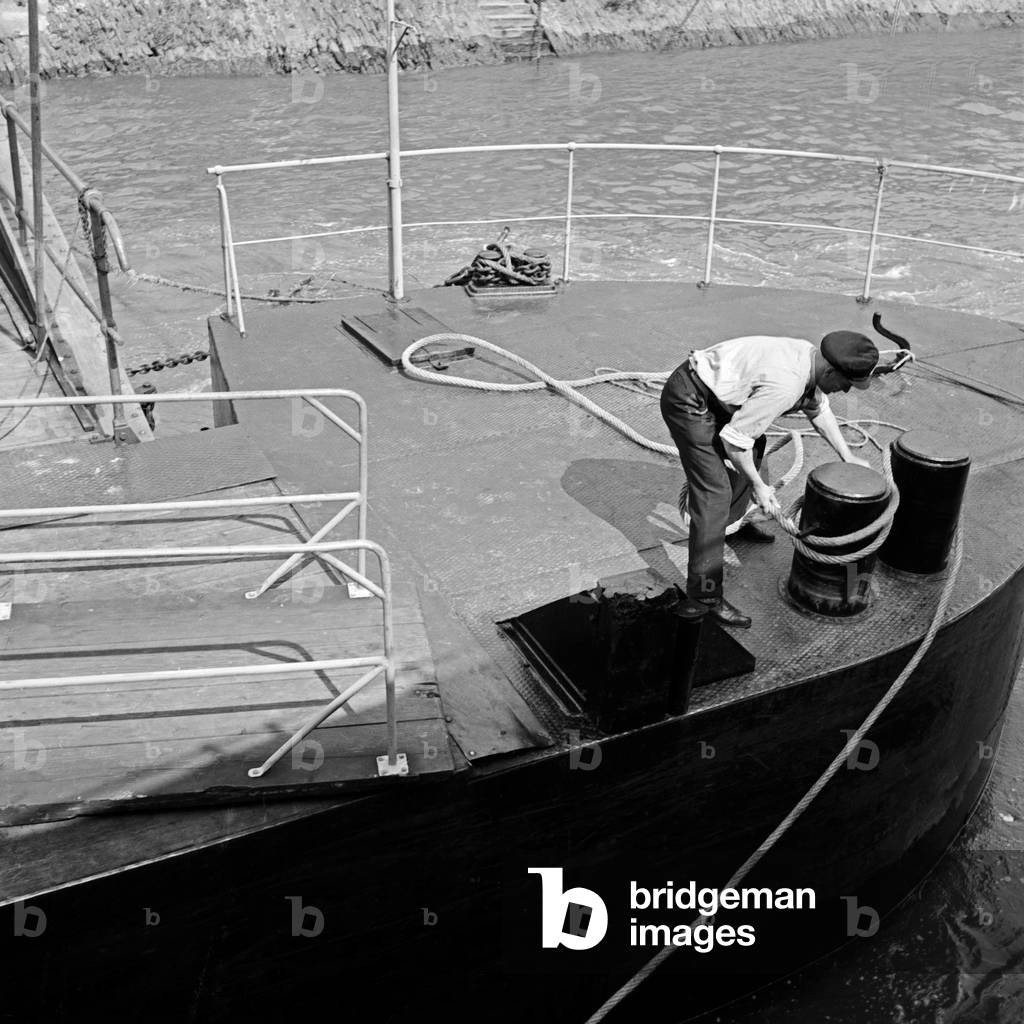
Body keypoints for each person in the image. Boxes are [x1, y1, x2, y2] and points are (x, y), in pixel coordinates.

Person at [659, 331, 879, 629]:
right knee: (714, 495)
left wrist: (847, 456)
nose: (847, 391)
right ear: (829, 370)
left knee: (756, 448)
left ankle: (731, 525)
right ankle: (704, 598)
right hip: (691, 401)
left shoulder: (810, 358)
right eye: (846, 384)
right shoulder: (786, 385)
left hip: (717, 396)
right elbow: (735, 443)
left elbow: (818, 408)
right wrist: (758, 486)